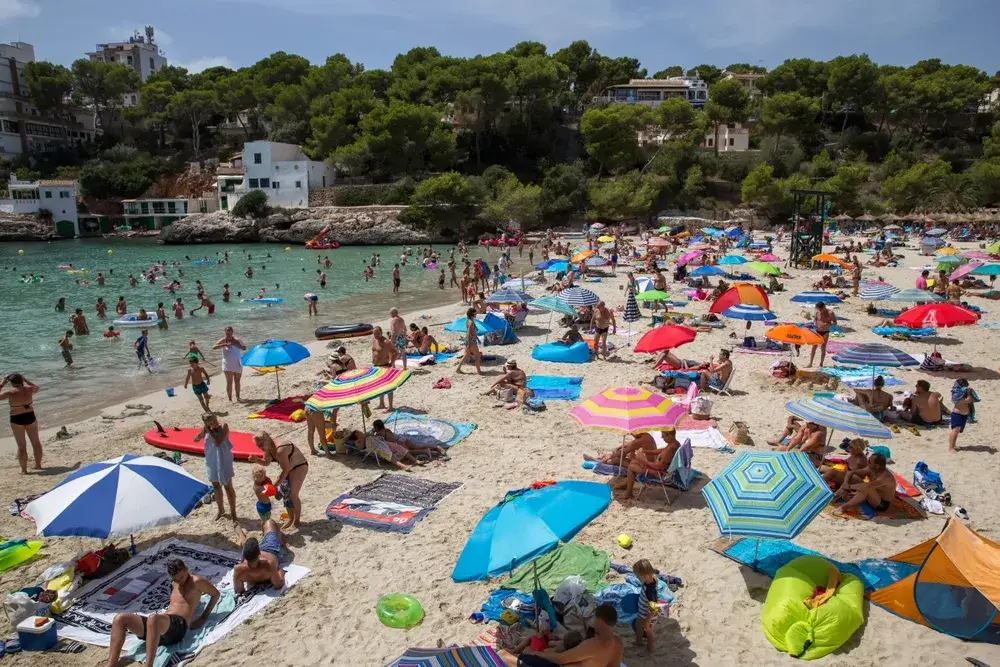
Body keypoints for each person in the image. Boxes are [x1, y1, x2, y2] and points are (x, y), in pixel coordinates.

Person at [105, 559, 219, 667]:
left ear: (186, 569)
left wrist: (203, 618)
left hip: (178, 627)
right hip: (160, 627)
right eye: (176, 579)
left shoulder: (197, 581)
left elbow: (215, 594)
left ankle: (148, 665)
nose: (180, 581)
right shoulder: (174, 583)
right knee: (120, 618)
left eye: (182, 577)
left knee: (153, 618)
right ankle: (111, 664)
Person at [499, 603, 623, 667]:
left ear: (600, 620)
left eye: (595, 619)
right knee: (524, 653)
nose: (593, 622)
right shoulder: (618, 643)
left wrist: (538, 654)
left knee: (505, 656)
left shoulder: (593, 645)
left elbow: (561, 659)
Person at [249, 432, 307, 529]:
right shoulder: (268, 449)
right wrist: (256, 459)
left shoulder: (280, 449)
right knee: (285, 493)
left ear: (267, 441)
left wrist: (274, 486)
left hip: (299, 467)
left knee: (293, 495)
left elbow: (285, 470)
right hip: (289, 469)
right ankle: (290, 517)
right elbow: (266, 462)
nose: (260, 447)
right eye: (258, 445)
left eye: (261, 445)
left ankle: (296, 521)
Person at [194, 414, 237, 521]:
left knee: (228, 486)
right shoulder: (206, 428)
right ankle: (221, 509)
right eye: (209, 423)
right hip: (211, 459)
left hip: (224, 458)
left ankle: (233, 513)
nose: (213, 424)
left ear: (216, 417)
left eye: (213, 421)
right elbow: (196, 440)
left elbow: (218, 442)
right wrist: (199, 435)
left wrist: (209, 430)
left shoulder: (224, 426)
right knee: (216, 486)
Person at [615, 432, 680, 500]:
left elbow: (658, 466)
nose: (661, 438)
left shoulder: (670, 449)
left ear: (670, 435)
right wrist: (646, 451)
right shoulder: (674, 444)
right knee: (634, 461)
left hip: (658, 474)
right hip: (665, 470)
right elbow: (662, 450)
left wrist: (644, 460)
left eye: (663, 436)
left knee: (631, 467)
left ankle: (628, 493)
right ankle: (627, 485)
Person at [1, 374, 42, 473]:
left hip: (16, 418)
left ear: (11, 382)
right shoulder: (29, 389)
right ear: (21, 380)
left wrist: (2, 383)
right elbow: (37, 387)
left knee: (21, 445)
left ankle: (24, 470)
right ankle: (38, 465)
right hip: (29, 415)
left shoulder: (10, 392)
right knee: (36, 442)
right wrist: (26, 380)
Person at [233, 524, 286, 594]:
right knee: (269, 523)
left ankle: (242, 536)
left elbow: (239, 591)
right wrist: (280, 571)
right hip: (269, 549)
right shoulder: (268, 565)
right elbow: (279, 585)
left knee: (247, 545)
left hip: (250, 555)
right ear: (259, 553)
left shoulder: (238, 569)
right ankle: (242, 536)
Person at [372, 419, 447, 458]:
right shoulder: (386, 430)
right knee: (417, 447)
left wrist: (372, 432)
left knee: (410, 451)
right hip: (401, 438)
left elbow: (377, 439)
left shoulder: (379, 434)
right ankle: (436, 447)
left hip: (399, 442)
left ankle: (427, 451)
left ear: (376, 428)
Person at [633, 559, 660, 654]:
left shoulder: (650, 590)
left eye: (637, 577)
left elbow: (654, 608)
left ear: (645, 576)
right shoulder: (651, 578)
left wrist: (648, 622)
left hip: (648, 616)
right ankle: (639, 643)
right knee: (638, 625)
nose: (637, 578)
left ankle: (650, 649)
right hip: (642, 613)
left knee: (649, 634)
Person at [213, 326, 246, 402]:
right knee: (229, 382)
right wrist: (224, 344)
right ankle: (230, 399)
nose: (228, 334)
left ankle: (238, 397)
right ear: (225, 332)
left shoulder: (237, 339)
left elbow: (244, 348)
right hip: (227, 364)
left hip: (237, 363)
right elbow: (214, 347)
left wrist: (235, 343)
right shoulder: (223, 340)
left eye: (229, 332)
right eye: (227, 332)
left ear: (232, 332)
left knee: (237, 381)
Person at [370, 326, 398, 410]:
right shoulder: (374, 340)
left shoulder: (387, 342)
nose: (376, 335)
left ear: (381, 332)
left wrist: (391, 363)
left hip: (385, 366)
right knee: (379, 386)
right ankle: (381, 403)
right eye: (374, 333)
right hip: (376, 367)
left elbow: (395, 352)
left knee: (388, 387)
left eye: (377, 333)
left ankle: (390, 407)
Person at [949, 379, 974, 453]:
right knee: (955, 431)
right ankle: (951, 447)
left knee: (957, 431)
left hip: (963, 415)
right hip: (957, 415)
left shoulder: (962, 394)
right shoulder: (957, 394)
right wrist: (968, 393)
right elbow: (968, 400)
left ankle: (954, 445)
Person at [807, 302, 836, 367]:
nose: (819, 310)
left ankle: (821, 364)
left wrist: (829, 324)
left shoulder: (830, 313)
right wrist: (815, 324)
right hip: (817, 331)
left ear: (824, 307)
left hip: (825, 331)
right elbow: (815, 320)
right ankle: (810, 363)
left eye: (820, 309)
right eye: (818, 309)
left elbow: (835, 323)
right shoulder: (817, 312)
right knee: (813, 347)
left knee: (823, 348)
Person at [456, 308, 482, 374]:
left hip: (469, 340)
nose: (476, 314)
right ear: (472, 313)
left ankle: (458, 369)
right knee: (477, 356)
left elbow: (472, 332)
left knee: (466, 355)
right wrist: (470, 344)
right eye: (475, 313)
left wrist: (478, 339)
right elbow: (469, 333)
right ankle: (479, 371)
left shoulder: (468, 320)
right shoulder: (471, 322)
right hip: (471, 341)